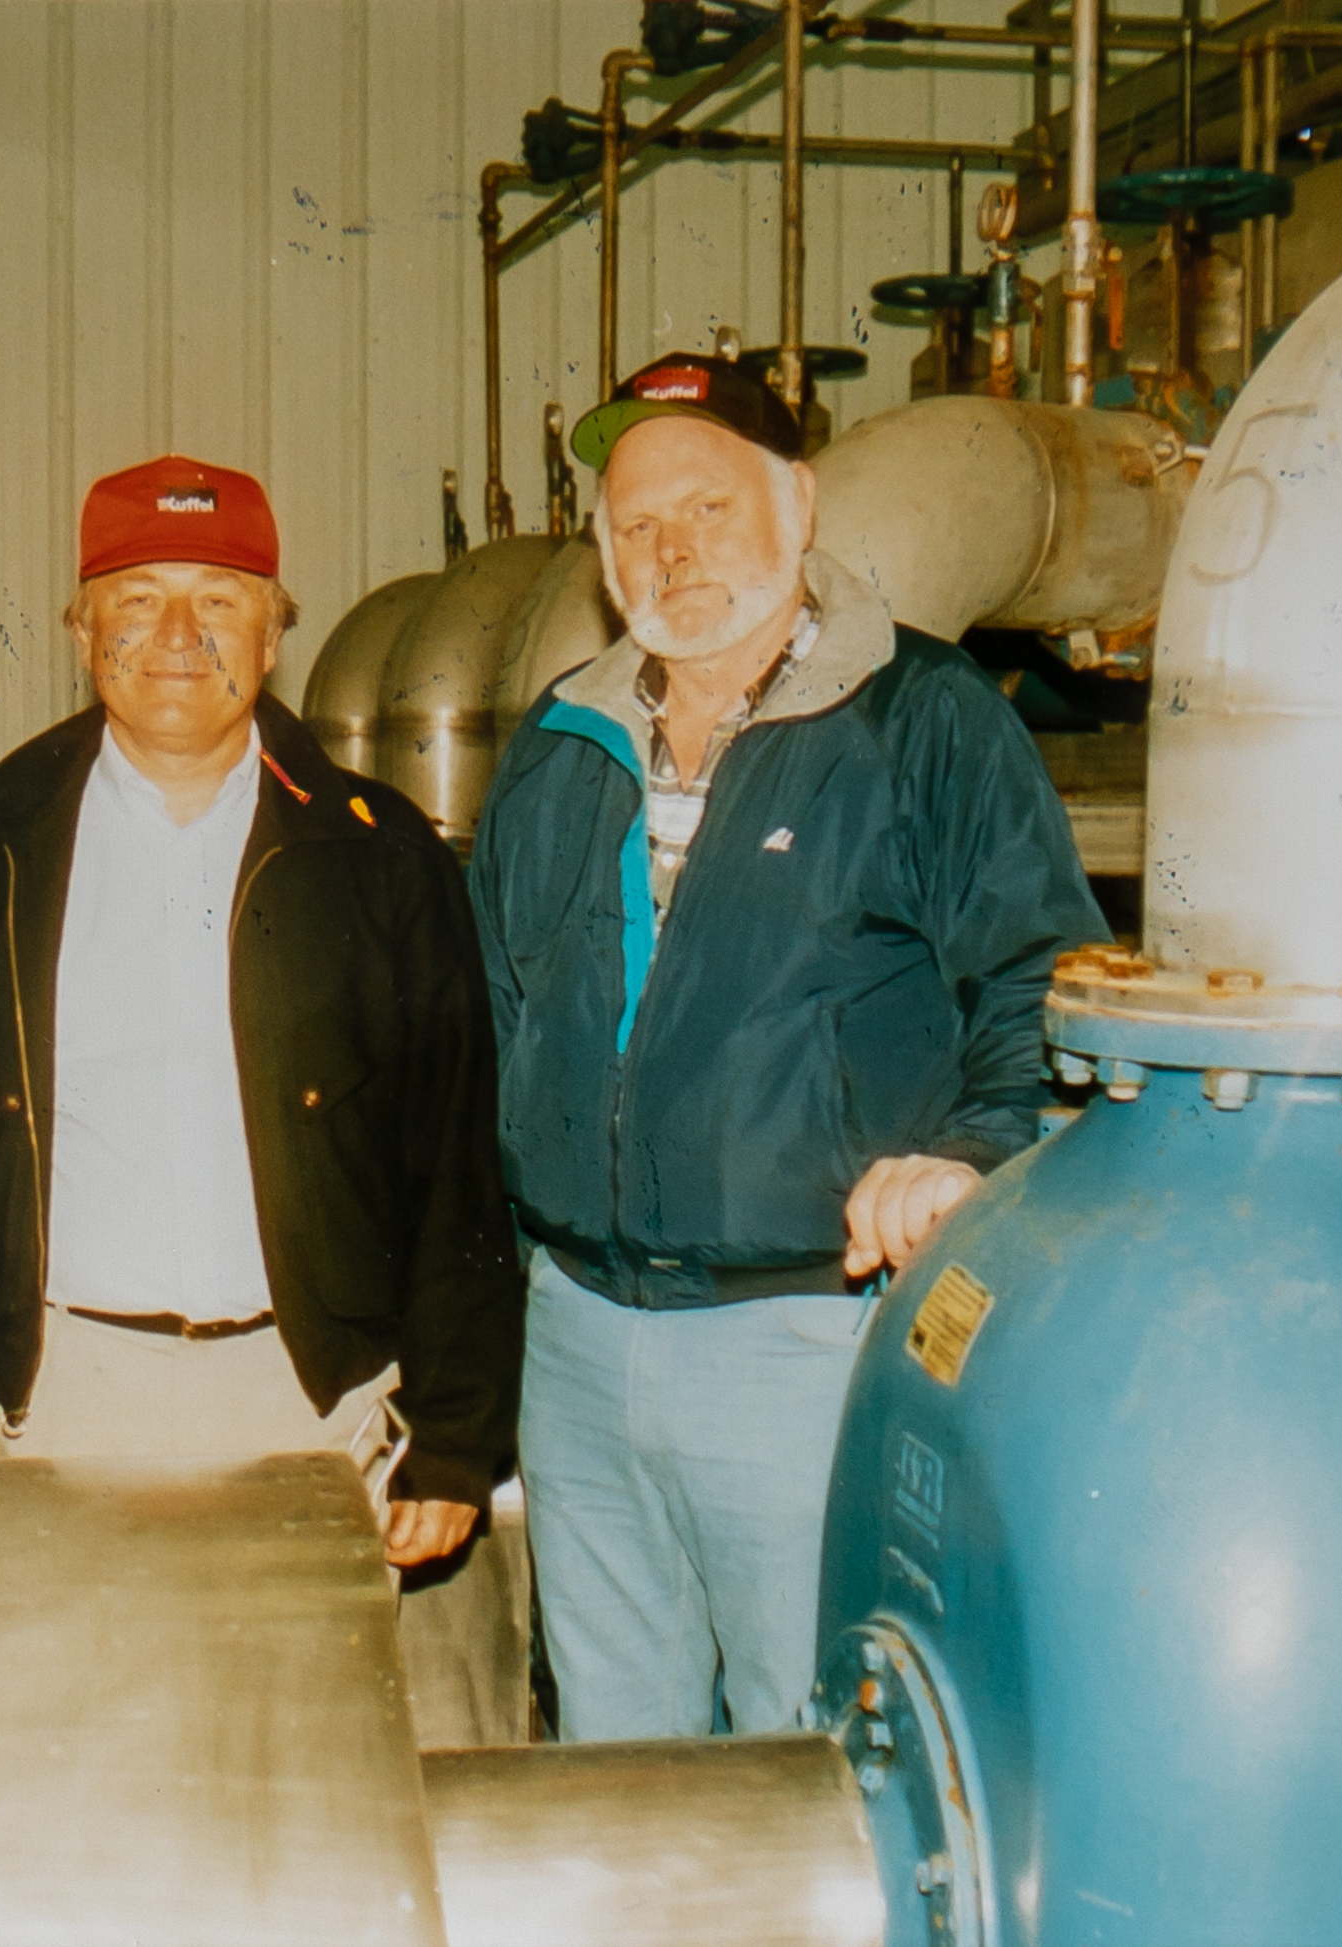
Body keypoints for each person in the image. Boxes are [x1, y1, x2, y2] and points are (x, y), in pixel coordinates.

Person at [472, 352, 1106, 1741]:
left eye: (708, 507)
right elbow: (504, 1013)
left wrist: (972, 1154)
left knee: (809, 1753)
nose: (673, 550)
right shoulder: (560, 743)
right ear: (599, 547)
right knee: (613, 1757)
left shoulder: (928, 721)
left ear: (799, 501)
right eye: (638, 524)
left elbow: (1040, 986)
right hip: (577, 1336)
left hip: (805, 1334)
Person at [0, 455, 523, 1577]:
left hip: (313, 1406)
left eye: (219, 600)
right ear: (83, 630)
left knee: (307, 1748)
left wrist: (458, 1439)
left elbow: (456, 1165)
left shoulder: (382, 856)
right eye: (137, 598)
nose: (178, 633)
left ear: (274, 636)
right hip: (67, 1401)